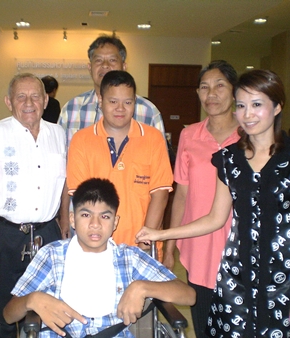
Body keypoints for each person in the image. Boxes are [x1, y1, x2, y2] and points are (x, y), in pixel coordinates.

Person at [137, 69, 290, 337]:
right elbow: (214, 218)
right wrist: (162, 235)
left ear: (277, 106)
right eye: (242, 105)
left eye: (257, 105)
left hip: (284, 277)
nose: (247, 114)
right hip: (236, 277)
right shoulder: (228, 159)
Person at [3, 178, 196, 337]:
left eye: (105, 217)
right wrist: (32, 299)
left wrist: (142, 287)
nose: (95, 224)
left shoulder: (129, 258)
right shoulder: (52, 256)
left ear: (115, 222)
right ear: (72, 219)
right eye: (86, 215)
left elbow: (189, 295)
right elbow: (9, 315)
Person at [0, 73, 69, 337]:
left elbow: (63, 182)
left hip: (47, 234)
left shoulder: (58, 134)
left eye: (35, 96)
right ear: (8, 101)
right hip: (2, 235)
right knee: (0, 312)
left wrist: (64, 221)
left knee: (46, 308)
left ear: (46, 99)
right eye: (21, 96)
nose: (29, 102)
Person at [162, 60, 240, 337]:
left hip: (239, 247)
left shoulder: (249, 135)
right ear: (197, 94)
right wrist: (169, 246)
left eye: (220, 86)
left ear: (234, 92)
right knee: (205, 323)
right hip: (199, 246)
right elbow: (181, 194)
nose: (211, 94)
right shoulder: (189, 135)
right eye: (204, 87)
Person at [67, 70, 172, 257]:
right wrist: (96, 247)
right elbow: (81, 200)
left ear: (135, 102)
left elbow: (160, 194)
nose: (120, 109)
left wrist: (144, 243)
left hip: (142, 246)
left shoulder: (153, 138)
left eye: (128, 102)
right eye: (113, 101)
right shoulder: (81, 140)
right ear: (100, 100)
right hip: (94, 247)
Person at [58, 34, 165, 148]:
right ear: (90, 68)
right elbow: (59, 160)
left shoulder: (148, 111)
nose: (105, 65)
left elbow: (160, 160)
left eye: (112, 60)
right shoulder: (71, 109)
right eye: (98, 60)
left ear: (124, 67)